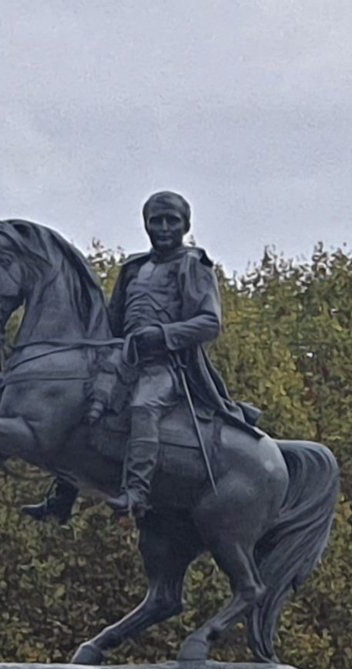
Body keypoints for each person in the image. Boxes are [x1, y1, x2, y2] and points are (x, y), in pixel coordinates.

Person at [99, 190, 261, 518]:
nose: (163, 228)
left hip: (167, 365)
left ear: (185, 225)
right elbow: (112, 322)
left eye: (171, 221)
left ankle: (137, 492)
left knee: (144, 407)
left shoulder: (193, 265)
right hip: (124, 359)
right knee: (73, 402)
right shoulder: (133, 267)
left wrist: (163, 335)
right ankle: (62, 490)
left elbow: (209, 322)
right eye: (155, 221)